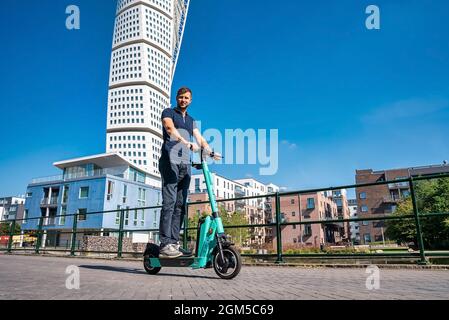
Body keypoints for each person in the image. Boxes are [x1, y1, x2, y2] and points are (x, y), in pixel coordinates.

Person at [158, 87, 220, 258]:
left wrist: (211, 152)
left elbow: (199, 138)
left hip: (185, 164)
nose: (183, 100)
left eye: (186, 98)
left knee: (180, 205)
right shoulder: (168, 112)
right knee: (169, 203)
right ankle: (165, 244)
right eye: (181, 97)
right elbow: (169, 129)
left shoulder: (191, 120)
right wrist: (185, 142)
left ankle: (174, 242)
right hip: (170, 160)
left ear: (190, 100)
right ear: (176, 98)